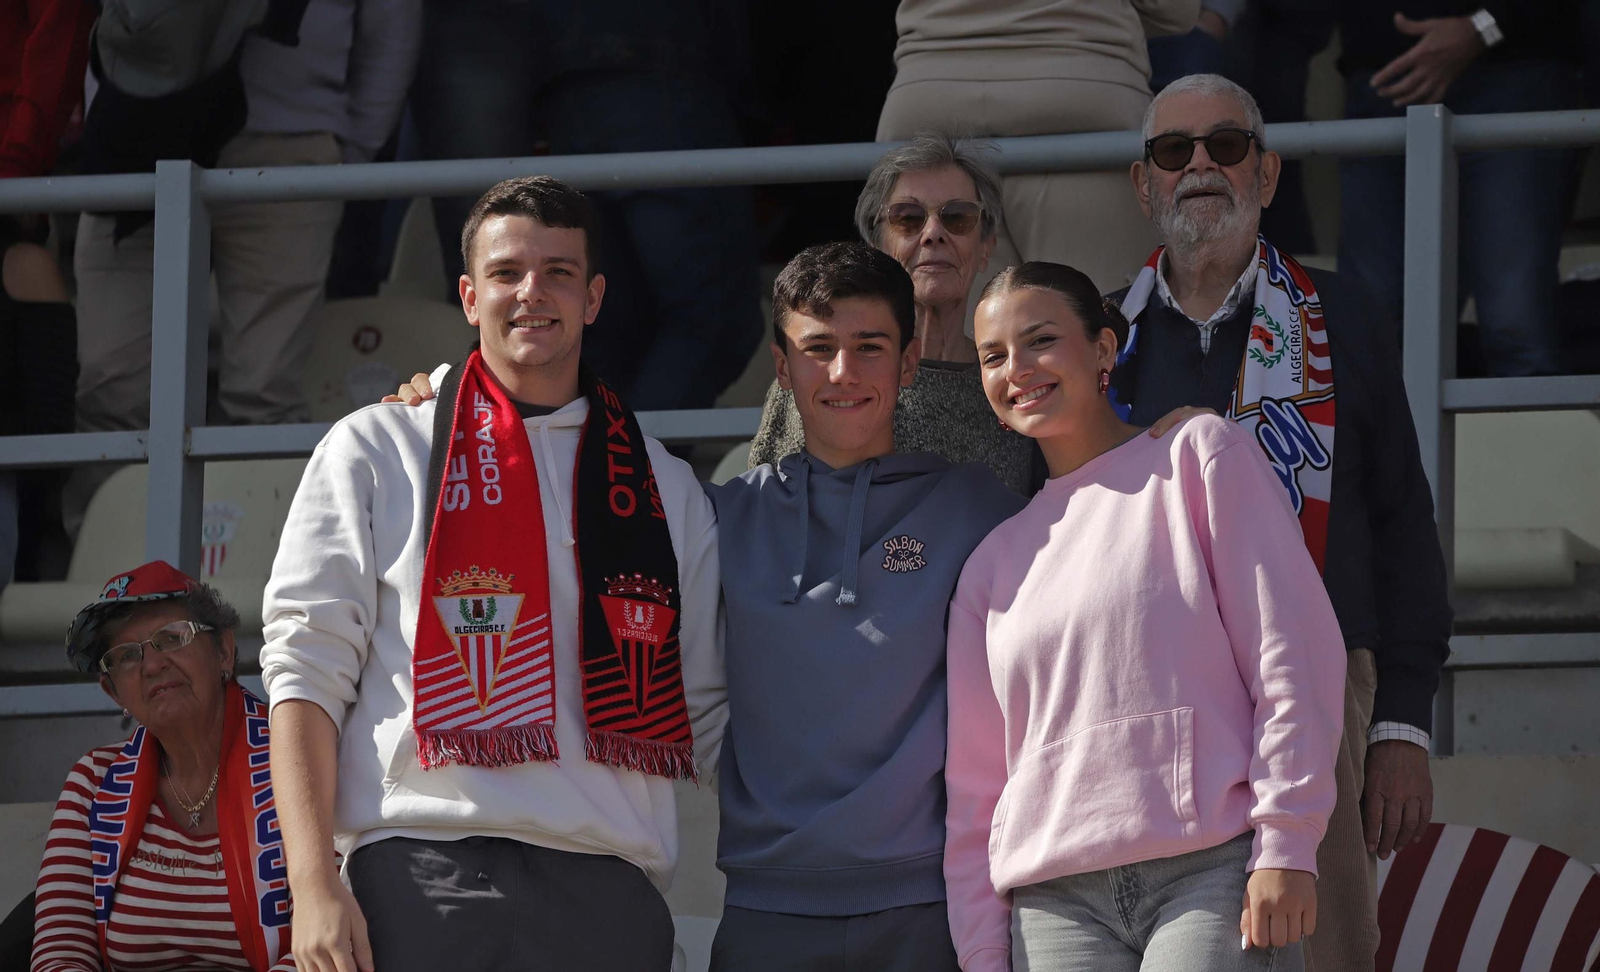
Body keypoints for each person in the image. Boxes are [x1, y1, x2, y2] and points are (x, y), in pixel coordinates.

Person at [261, 175, 725, 972]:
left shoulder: (666, 487)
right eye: (508, 273)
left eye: (559, 272)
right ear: (470, 297)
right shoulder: (376, 448)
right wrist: (310, 884)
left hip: (608, 893)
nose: (532, 293)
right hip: (419, 873)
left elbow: (708, 710)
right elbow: (304, 672)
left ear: (595, 297)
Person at [1112, 73, 1453, 972]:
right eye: (1171, 151)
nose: (1198, 167)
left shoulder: (1343, 314)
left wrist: (1403, 725)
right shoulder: (1104, 338)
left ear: (1265, 175)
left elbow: (1402, 520)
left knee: (1322, 951)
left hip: (1323, 690)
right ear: (1142, 184)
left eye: (1225, 146)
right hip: (1149, 706)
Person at [945, 262, 1346, 971]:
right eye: (994, 355)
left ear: (1103, 349)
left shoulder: (1198, 457)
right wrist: (981, 949)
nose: (1018, 369)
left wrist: (1286, 840)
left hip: (1210, 875)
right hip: (1052, 904)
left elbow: (1293, 656)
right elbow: (977, 789)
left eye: (1040, 340)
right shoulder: (989, 564)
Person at [705, 242, 1026, 970]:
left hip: (925, 907)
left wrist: (1156, 441)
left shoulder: (976, 508)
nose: (842, 372)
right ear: (781, 368)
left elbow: (1103, 524)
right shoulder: (720, 517)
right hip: (765, 907)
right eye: (817, 349)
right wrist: (438, 402)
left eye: (868, 347)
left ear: (908, 364)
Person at [64, 0, 421, 534]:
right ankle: (105, 590)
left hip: (282, 142)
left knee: (264, 400)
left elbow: (392, 22)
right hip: (131, 135)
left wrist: (344, 152)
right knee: (111, 392)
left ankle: (261, 590)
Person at [410, 0, 763, 411]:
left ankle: (597, 459)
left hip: (575, 81)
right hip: (660, 63)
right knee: (710, 321)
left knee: (608, 322)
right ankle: (624, 465)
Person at [31, 561, 296, 971]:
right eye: (125, 656)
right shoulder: (93, 784)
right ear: (113, 690)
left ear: (223, 650)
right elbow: (59, 952)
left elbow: (328, 941)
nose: (152, 665)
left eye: (171, 638)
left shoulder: (297, 760)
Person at [748, 133, 1041, 494]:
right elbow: (772, 510)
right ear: (876, 246)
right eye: (908, 218)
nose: (933, 233)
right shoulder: (818, 374)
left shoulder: (1014, 380)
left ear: (985, 248)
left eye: (958, 217)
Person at [876, 0, 1194, 306]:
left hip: (927, 95)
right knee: (1099, 334)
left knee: (940, 349)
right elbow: (1176, 11)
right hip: (1079, 99)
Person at [1336, 0, 1583, 376]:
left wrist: (1484, 26)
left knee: (1514, 318)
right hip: (1380, 80)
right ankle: (1382, 437)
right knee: (1369, 323)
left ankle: (1523, 432)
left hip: (1511, 74)